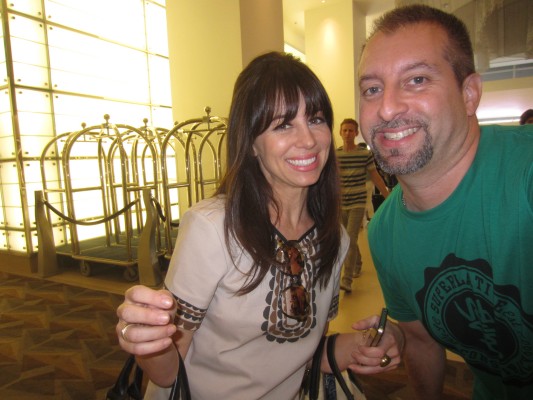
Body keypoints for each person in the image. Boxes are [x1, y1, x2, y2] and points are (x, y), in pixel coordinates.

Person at [116, 52, 403, 399]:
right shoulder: (212, 228)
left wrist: (368, 343)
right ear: (251, 143)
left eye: (315, 119)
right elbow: (167, 375)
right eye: (283, 125)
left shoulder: (334, 239)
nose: (308, 140)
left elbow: (306, 354)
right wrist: (148, 340)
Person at [358, 4, 533, 400]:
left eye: (417, 80)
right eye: (372, 89)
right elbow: (421, 343)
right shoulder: (384, 232)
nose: (387, 108)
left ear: (469, 94)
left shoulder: (524, 176)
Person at [336, 118, 389, 292]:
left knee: (350, 238)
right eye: (345, 130)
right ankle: (357, 263)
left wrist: (388, 196)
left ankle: (347, 280)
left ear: (356, 133)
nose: (347, 133)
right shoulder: (336, 155)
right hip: (341, 204)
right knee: (347, 239)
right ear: (340, 132)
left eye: (351, 130)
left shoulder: (364, 154)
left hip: (358, 203)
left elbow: (375, 176)